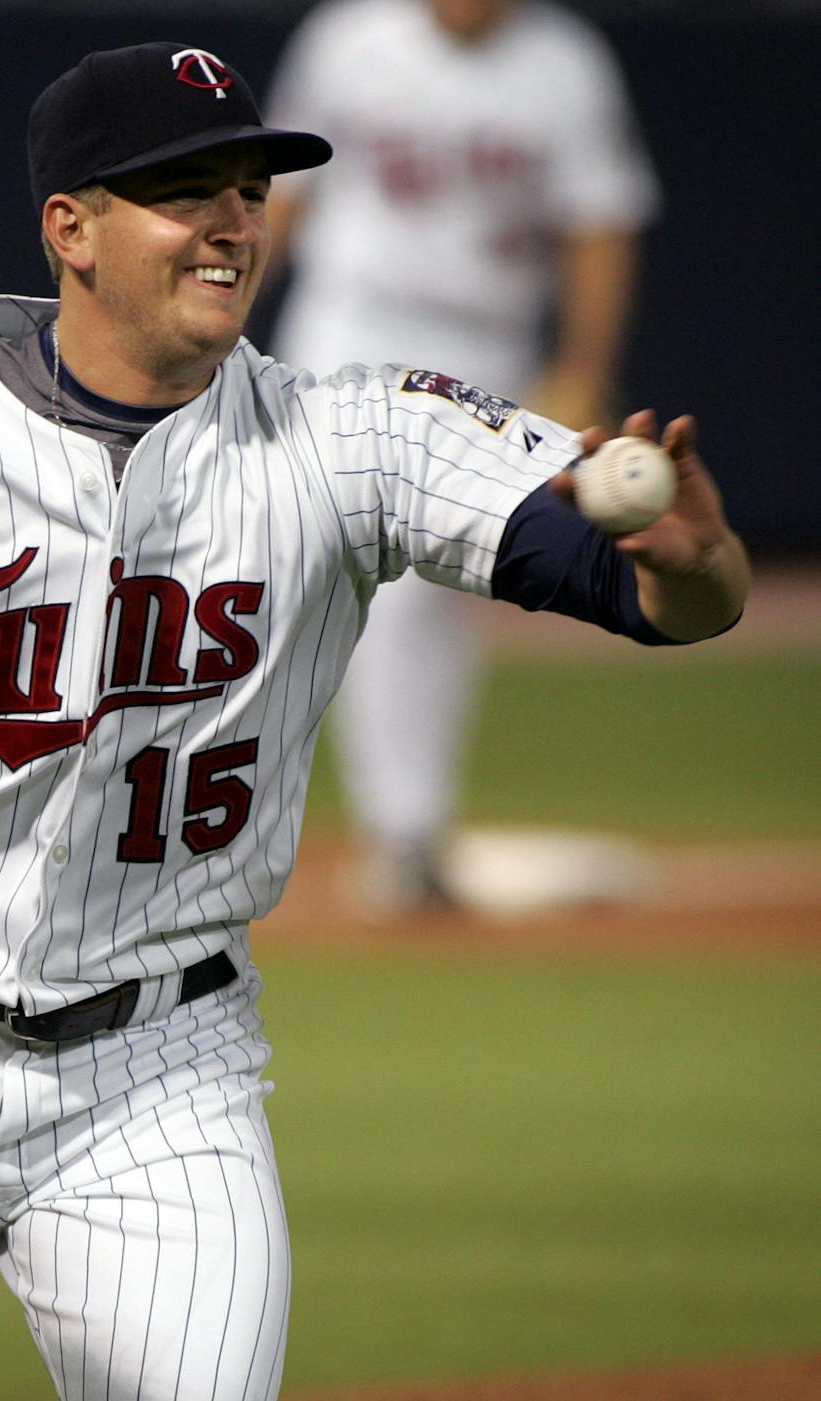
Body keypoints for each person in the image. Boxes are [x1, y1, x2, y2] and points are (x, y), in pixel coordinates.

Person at [0, 42, 745, 1401]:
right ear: (68, 227)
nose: (230, 221)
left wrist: (694, 560)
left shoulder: (344, 437)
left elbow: (664, 594)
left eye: (247, 189)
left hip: (162, 1070)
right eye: (181, 190)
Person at [265, 0, 662, 911]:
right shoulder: (350, 38)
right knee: (376, 585)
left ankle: (410, 829)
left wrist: (580, 365)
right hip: (351, 326)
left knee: (449, 594)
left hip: (489, 346)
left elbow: (601, 223)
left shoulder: (564, 62)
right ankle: (399, 831)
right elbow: (282, 196)